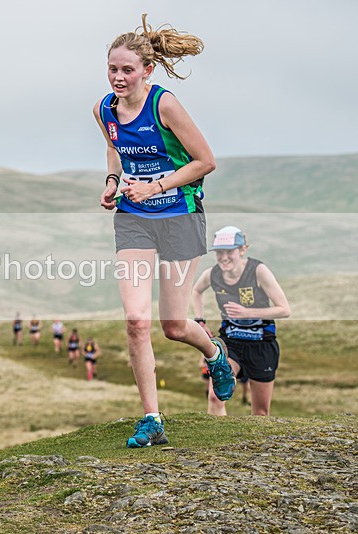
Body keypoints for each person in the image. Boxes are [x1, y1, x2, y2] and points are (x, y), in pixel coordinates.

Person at [94, 14, 234, 448]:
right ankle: (152, 419)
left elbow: (205, 161)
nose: (119, 78)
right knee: (137, 321)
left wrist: (155, 186)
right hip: (133, 219)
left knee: (173, 324)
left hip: (179, 216)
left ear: (147, 70)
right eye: (113, 69)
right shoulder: (104, 109)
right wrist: (113, 182)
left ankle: (214, 352)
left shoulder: (164, 105)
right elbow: (115, 149)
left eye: (127, 70)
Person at [192, 226, 290, 416]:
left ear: (242, 250)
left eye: (229, 252)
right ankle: (217, 434)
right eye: (219, 252)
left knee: (260, 411)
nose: (224, 257)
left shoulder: (258, 271)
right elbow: (196, 291)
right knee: (215, 396)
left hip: (261, 344)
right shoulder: (213, 274)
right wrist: (200, 321)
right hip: (230, 343)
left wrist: (247, 312)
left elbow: (284, 310)